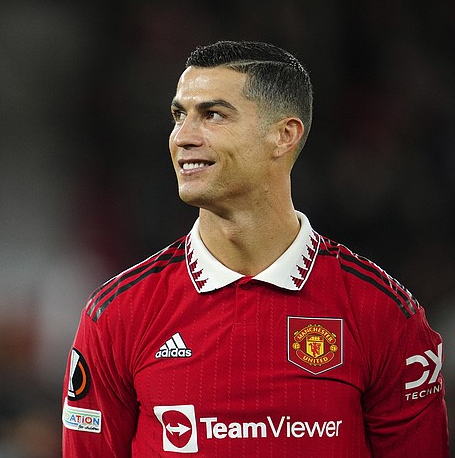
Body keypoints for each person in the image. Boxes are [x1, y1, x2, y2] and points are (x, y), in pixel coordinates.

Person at [61, 41, 448, 457]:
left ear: (283, 135)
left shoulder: (383, 313)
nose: (183, 137)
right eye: (179, 115)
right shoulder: (118, 314)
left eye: (212, 115)